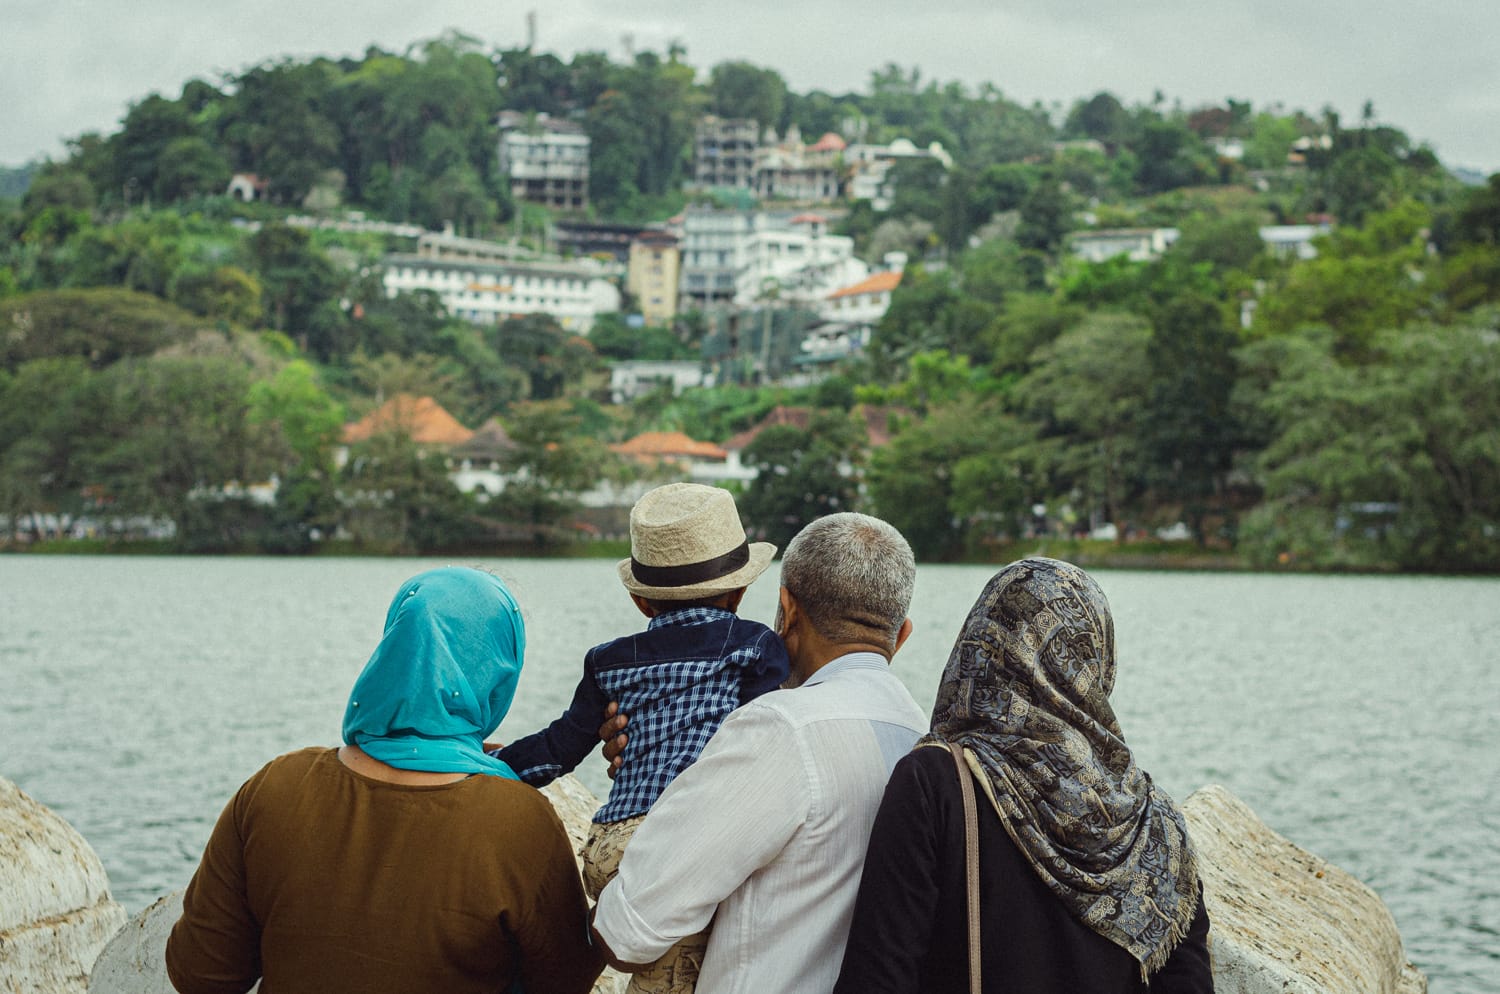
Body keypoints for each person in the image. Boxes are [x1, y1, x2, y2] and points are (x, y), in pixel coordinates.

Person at [165, 567, 603, 994]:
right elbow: (565, 980)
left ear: (394, 649)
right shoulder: (518, 821)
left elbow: (201, 974)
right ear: (497, 674)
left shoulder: (274, 787)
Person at [832, 557, 1213, 994]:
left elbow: (878, 976)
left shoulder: (936, 783)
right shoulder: (1153, 821)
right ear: (1095, 662)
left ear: (981, 646)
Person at [590, 511, 928, 994]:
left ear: (786, 610)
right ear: (901, 634)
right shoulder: (926, 738)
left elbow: (629, 932)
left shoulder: (781, 728)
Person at [493, 482, 789, 993]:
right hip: (681, 843)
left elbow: (561, 747)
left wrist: (491, 765)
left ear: (640, 601)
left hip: (610, 845)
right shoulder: (755, 647)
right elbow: (764, 738)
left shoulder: (607, 660)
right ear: (742, 589)